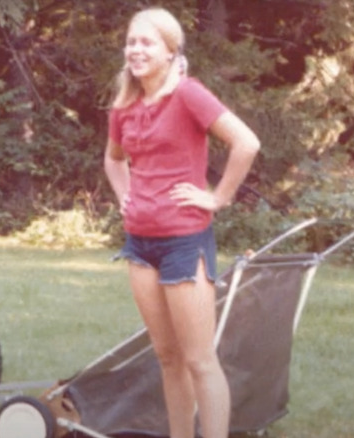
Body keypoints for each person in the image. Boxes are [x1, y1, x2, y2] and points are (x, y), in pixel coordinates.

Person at [103, 8, 260, 438]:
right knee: (167, 359)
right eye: (132, 42)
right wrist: (126, 197)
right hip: (139, 245)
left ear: (171, 51)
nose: (136, 50)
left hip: (184, 243)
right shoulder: (124, 106)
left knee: (199, 360)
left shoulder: (189, 95)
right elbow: (113, 160)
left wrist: (217, 198)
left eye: (147, 42)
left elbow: (246, 142)